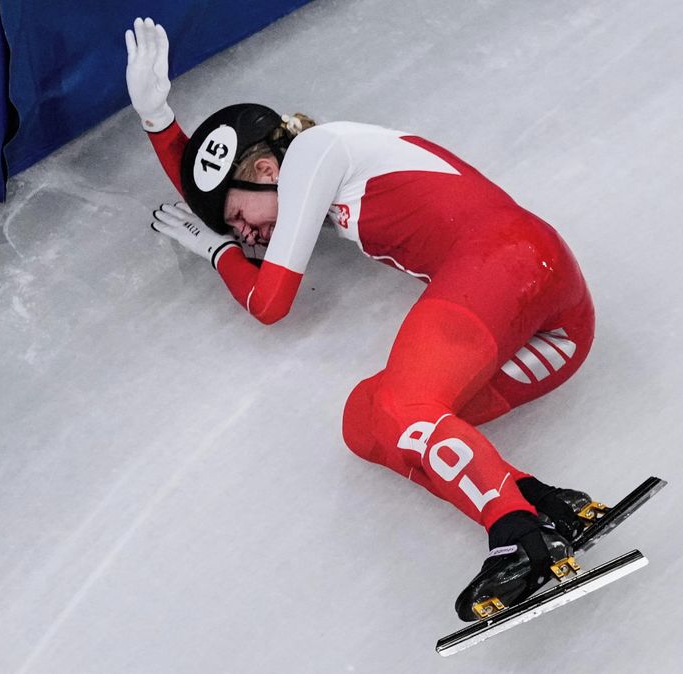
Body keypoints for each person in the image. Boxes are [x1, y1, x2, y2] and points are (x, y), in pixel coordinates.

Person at [126, 18, 606, 620]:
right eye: (236, 233)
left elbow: (270, 304)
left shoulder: (313, 154)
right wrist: (158, 122)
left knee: (406, 405)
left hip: (508, 262)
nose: (243, 235)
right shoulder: (298, 179)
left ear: (267, 172)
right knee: (368, 419)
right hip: (555, 328)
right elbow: (220, 186)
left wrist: (218, 254)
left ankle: (517, 536)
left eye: (239, 218)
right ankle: (535, 503)